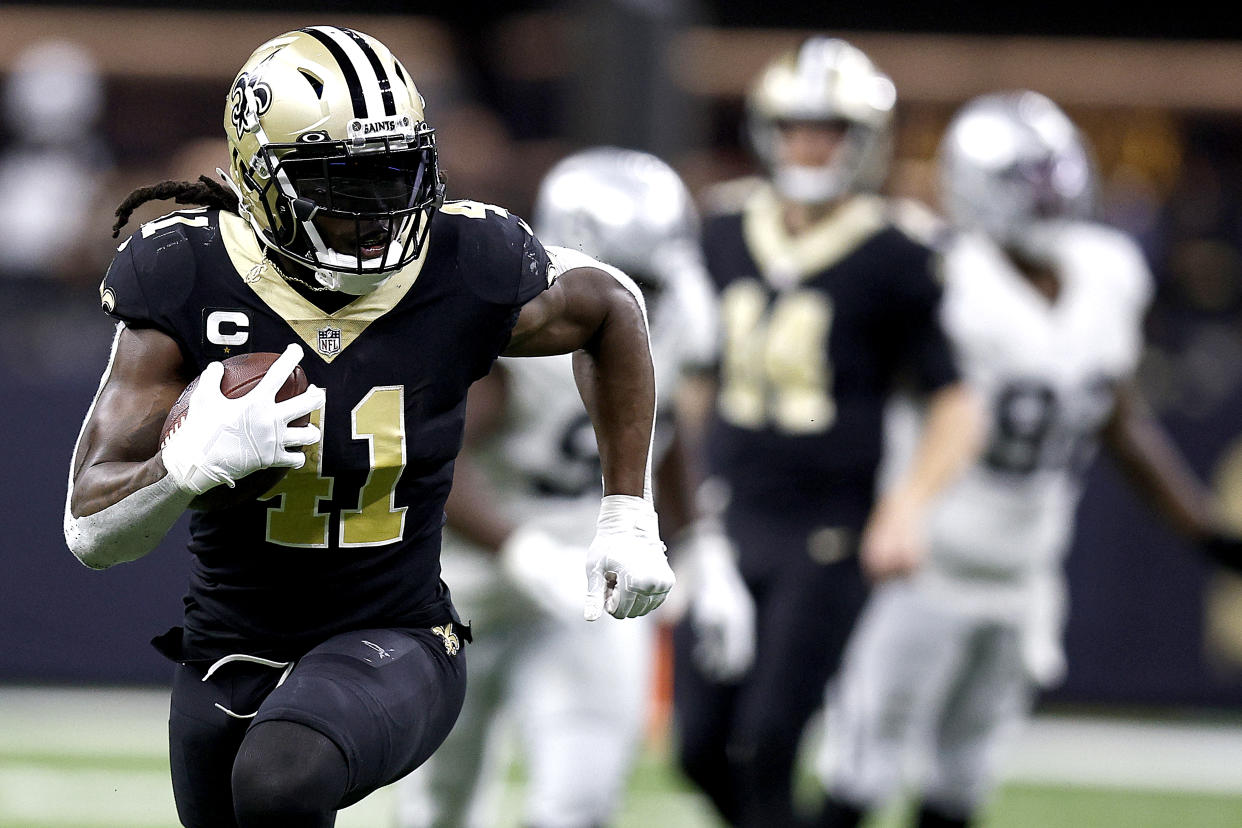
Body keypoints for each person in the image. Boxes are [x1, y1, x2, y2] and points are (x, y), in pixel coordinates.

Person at [62, 27, 675, 828]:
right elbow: (91, 530)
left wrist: (628, 510)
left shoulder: (465, 260)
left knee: (282, 781)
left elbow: (610, 306)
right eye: (337, 179)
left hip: (398, 633)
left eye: (394, 171)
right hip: (229, 646)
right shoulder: (183, 274)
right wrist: (183, 466)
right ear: (258, 177)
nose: (376, 207)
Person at [812, 90, 1242, 828]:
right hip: (923, 565)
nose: (1046, 196)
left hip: (1025, 571)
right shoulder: (941, 276)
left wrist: (1202, 531)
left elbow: (1118, 417)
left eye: (1054, 175)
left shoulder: (1108, 272)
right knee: (861, 768)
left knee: (966, 776)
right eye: (1027, 179)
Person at [672, 37, 985, 828]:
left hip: (829, 530)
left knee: (769, 740)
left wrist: (907, 506)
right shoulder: (722, 227)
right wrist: (682, 496)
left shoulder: (899, 250)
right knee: (697, 750)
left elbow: (955, 401)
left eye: (832, 130)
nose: (812, 145)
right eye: (799, 126)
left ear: (864, 140)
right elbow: (697, 380)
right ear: (769, 131)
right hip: (732, 518)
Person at [395, 146, 755, 828]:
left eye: (654, 276)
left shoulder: (684, 305)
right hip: (463, 578)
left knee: (579, 802)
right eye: (625, 275)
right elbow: (429, 460)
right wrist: (522, 550)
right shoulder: (512, 322)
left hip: (593, 572)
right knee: (438, 807)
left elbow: (664, 423)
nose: (634, 302)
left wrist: (705, 547)